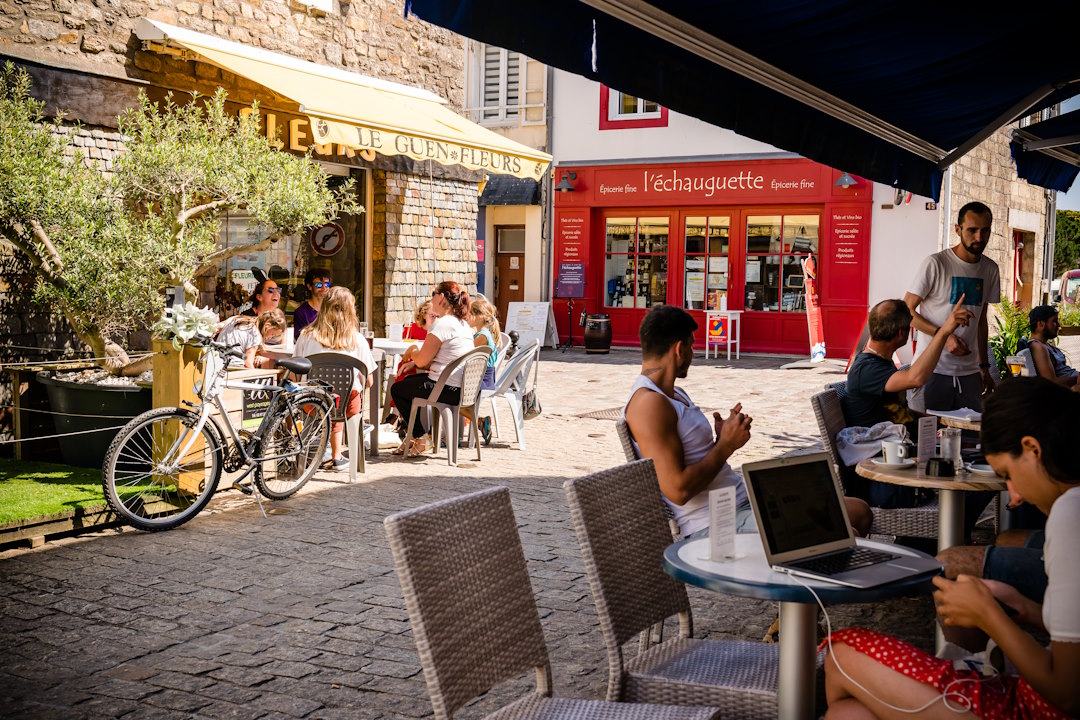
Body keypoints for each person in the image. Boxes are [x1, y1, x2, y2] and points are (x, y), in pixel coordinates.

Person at [822, 378, 1080, 719]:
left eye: (1008, 474)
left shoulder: (1070, 513)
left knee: (839, 653)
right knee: (848, 714)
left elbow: (1066, 693)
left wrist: (987, 615)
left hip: (1031, 707)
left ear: (1033, 449)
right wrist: (1024, 608)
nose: (1014, 497)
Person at [623, 305, 872, 538]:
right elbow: (678, 491)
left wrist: (722, 438)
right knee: (843, 532)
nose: (693, 354)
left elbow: (692, 457)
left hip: (742, 502)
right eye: (691, 346)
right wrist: (725, 447)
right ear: (679, 349)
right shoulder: (649, 404)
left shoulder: (674, 394)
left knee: (859, 512)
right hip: (715, 524)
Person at [904, 201, 1001, 414]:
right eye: (972, 230)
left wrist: (984, 367)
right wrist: (944, 335)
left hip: (970, 374)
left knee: (968, 441)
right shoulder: (936, 264)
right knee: (927, 441)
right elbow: (906, 312)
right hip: (932, 370)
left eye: (985, 231)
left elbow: (981, 320)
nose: (979, 237)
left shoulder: (990, 269)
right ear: (958, 230)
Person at [388, 281, 476, 457]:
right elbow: (439, 358)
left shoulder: (443, 324)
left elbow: (421, 361)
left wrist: (412, 351)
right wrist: (415, 362)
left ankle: (421, 437)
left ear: (441, 297)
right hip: (462, 389)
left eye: (434, 293)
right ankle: (415, 437)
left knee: (397, 389)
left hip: (445, 388)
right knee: (410, 384)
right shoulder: (462, 324)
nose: (431, 298)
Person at [293, 287, 375, 470]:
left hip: (312, 403)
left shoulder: (306, 336)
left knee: (328, 396)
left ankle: (311, 456)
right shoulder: (357, 340)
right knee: (342, 396)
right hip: (346, 407)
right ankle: (338, 456)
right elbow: (369, 381)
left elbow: (295, 372)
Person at [467, 296, 501, 445]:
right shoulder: (483, 333)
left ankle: (480, 421)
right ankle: (480, 421)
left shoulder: (482, 336)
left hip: (481, 379)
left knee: (452, 397)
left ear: (479, 317)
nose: (468, 317)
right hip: (482, 376)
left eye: (470, 314)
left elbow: (466, 353)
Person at [1022, 305, 1078, 388]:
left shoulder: (1044, 345)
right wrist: (1078, 378)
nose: (1059, 325)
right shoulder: (1038, 347)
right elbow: (1050, 383)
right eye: (1054, 321)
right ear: (1040, 324)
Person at [292, 269, 332, 341]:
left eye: (327, 284)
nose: (324, 288)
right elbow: (301, 340)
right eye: (319, 285)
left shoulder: (333, 309)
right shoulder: (301, 312)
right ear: (309, 286)